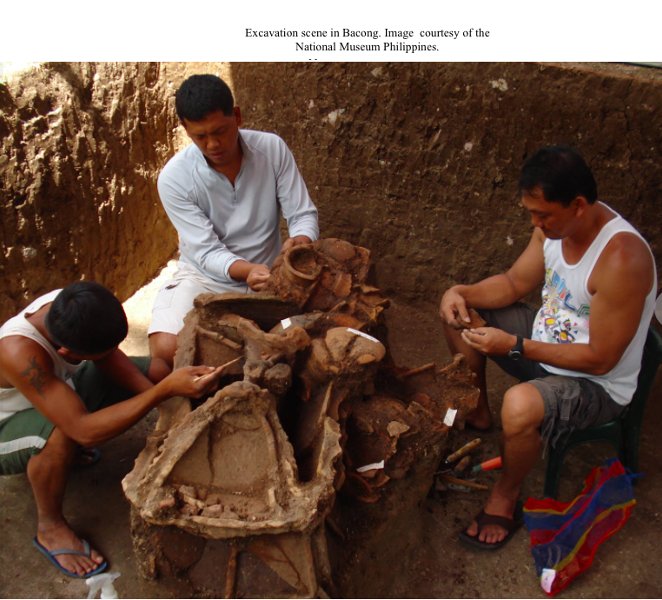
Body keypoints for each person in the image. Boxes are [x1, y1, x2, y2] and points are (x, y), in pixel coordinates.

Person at [439, 146, 657, 550]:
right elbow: (513, 283)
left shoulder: (622, 260)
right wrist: (459, 291)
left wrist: (516, 345)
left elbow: (601, 359)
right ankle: (480, 414)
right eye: (531, 214)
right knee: (461, 312)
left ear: (578, 205)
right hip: (543, 340)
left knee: (520, 407)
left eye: (544, 215)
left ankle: (505, 495)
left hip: (598, 385)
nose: (536, 224)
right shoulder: (553, 228)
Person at [0, 281, 227, 577]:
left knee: (158, 371)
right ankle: (50, 527)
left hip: (52, 396)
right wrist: (161, 393)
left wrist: (166, 403)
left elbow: (109, 357)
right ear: (67, 351)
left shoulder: (71, 306)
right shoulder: (18, 352)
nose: (111, 353)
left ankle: (67, 455)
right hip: (7, 425)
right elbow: (83, 430)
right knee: (61, 436)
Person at [149, 74, 320, 368]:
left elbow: (302, 214)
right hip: (205, 278)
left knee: (313, 341)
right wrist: (246, 271)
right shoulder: (174, 178)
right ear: (185, 129)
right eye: (200, 136)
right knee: (165, 349)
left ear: (237, 116)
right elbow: (205, 251)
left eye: (220, 131)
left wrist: (299, 247)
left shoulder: (272, 149)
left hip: (270, 277)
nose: (213, 144)